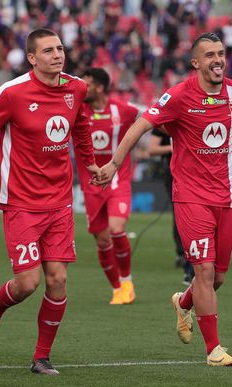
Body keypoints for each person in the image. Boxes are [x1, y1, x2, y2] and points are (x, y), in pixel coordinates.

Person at [95, 32, 232, 366]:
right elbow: (141, 126)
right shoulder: (179, 96)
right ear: (196, 62)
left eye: (221, 54)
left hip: (227, 196)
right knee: (205, 272)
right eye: (210, 55)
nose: (218, 60)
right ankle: (213, 349)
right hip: (191, 197)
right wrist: (114, 163)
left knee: (217, 278)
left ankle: (183, 303)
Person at [0, 28, 99, 376]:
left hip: (60, 201)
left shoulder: (77, 88)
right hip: (20, 202)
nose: (57, 55)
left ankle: (41, 358)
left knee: (58, 280)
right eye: (48, 50)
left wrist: (90, 162)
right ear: (32, 58)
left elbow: (80, 128)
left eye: (60, 48)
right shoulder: (12, 93)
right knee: (27, 284)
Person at [76, 67, 140, 305]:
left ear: (99, 87)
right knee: (102, 240)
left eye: (87, 84)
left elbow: (154, 119)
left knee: (116, 229)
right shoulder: (76, 110)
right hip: (90, 185)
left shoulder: (123, 110)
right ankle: (117, 289)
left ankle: (127, 280)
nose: (82, 88)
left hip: (117, 180)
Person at [146, 129, 195, 285]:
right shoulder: (165, 122)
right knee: (181, 212)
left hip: (196, 171)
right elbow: (152, 149)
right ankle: (184, 256)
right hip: (174, 172)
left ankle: (196, 258)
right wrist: (174, 147)